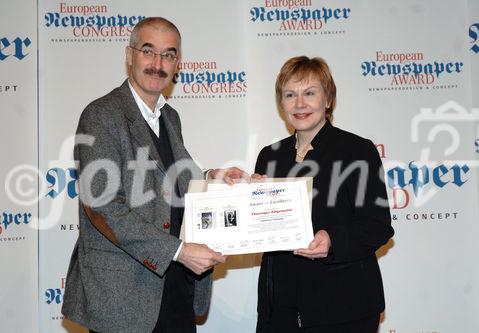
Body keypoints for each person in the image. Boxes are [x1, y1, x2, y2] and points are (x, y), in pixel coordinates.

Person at [61, 17, 247, 333]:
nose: (158, 64)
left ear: (177, 64)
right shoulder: (101, 115)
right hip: (124, 300)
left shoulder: (169, 117)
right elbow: (102, 207)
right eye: (149, 51)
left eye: (169, 54)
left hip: (174, 288)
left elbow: (172, 178)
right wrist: (178, 251)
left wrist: (213, 177)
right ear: (129, 55)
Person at [254, 56, 394, 333]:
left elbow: (377, 226)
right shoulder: (269, 157)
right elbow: (261, 230)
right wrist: (249, 202)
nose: (299, 104)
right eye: (290, 95)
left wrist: (332, 240)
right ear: (281, 104)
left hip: (344, 308)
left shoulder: (357, 151)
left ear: (328, 99)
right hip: (279, 309)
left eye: (309, 93)